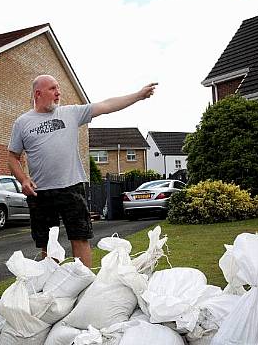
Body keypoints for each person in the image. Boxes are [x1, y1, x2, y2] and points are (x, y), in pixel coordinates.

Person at [8, 74, 157, 267]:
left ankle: (85, 287)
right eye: (53, 88)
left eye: (58, 88)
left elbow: (106, 105)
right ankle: (52, 287)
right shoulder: (22, 123)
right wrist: (23, 180)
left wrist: (138, 95)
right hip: (41, 191)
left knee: (80, 237)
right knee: (48, 244)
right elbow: (13, 157)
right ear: (38, 93)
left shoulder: (71, 113)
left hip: (72, 187)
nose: (58, 92)